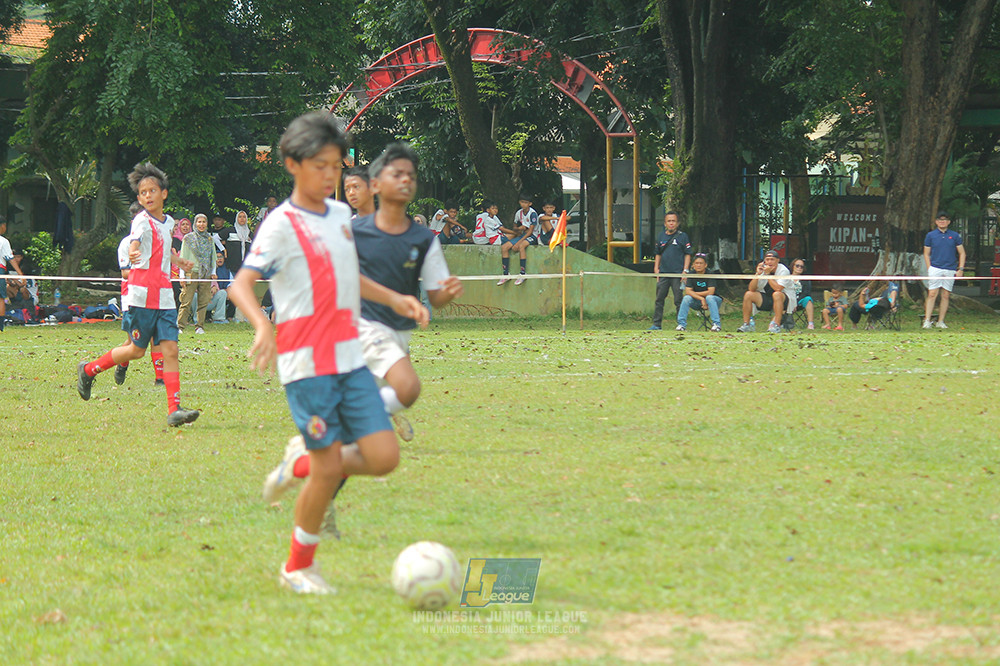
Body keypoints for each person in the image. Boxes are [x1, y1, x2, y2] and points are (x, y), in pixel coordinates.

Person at [226, 112, 427, 594]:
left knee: (384, 457)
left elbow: (347, 277)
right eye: (320, 165)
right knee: (330, 466)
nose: (330, 176)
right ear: (293, 164)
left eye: (336, 166)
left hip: (350, 358)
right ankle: (298, 566)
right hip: (306, 366)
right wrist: (262, 326)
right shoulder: (280, 224)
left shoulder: (340, 217)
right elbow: (241, 284)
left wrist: (393, 297)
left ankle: (297, 463)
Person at [76, 161, 200, 428]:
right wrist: (133, 250)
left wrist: (179, 263)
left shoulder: (169, 223)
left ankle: (174, 408)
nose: (148, 196)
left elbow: (165, 249)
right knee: (135, 351)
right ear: (139, 198)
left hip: (165, 296)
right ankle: (89, 370)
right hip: (141, 296)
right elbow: (137, 239)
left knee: (171, 350)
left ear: (163, 193)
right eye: (143, 193)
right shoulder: (140, 220)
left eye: (152, 191)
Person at [649, 211, 692, 330]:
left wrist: (685, 270)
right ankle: (656, 324)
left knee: (678, 300)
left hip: (678, 273)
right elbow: (658, 253)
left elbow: (687, 254)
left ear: (677, 223)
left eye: (673, 221)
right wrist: (656, 268)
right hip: (664, 273)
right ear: (665, 223)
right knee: (659, 299)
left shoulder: (683, 236)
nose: (671, 223)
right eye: (669, 221)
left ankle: (681, 324)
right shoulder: (661, 236)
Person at [923, 211, 965, 329]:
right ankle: (927, 320)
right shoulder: (930, 235)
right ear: (936, 221)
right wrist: (929, 268)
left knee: (945, 295)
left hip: (950, 268)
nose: (942, 222)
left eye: (945, 220)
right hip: (935, 268)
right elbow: (926, 253)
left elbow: (962, 253)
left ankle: (940, 321)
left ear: (949, 222)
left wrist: (960, 269)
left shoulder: (955, 235)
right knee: (932, 294)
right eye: (940, 220)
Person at [737, 250, 793, 333]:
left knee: (777, 294)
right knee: (748, 294)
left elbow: (778, 288)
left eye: (772, 259)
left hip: (783, 300)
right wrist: (757, 274)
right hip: (767, 298)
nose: (769, 262)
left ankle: (776, 325)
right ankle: (747, 324)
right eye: (767, 259)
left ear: (778, 260)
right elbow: (751, 289)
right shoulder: (763, 269)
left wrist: (768, 275)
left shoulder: (783, 270)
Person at [177, 213, 215, 334]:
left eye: (204, 222)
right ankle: (180, 326)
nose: (201, 224)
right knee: (186, 300)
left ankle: (199, 326)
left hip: (205, 273)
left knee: (203, 301)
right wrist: (182, 275)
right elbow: (182, 258)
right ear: (195, 223)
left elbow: (212, 258)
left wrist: (213, 273)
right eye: (199, 222)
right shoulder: (188, 238)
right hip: (191, 273)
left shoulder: (209, 239)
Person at [675, 253, 722, 331]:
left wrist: (697, 295)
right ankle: (681, 325)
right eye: (696, 263)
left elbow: (711, 292)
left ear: (705, 265)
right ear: (693, 265)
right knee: (686, 298)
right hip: (697, 301)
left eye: (701, 263)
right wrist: (701, 298)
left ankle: (716, 325)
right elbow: (687, 291)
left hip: (713, 301)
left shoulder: (710, 274)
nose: (698, 265)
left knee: (709, 297)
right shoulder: (691, 274)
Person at [497, 195, 537, 286]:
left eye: (526, 202)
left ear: (530, 204)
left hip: (532, 235)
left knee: (521, 246)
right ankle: (506, 274)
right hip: (523, 234)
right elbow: (514, 226)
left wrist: (518, 242)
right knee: (504, 247)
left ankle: (523, 274)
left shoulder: (532, 213)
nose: (523, 204)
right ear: (519, 202)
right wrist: (518, 228)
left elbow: (530, 232)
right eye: (522, 202)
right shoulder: (519, 213)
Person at [0, 216, 24, 331]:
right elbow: (11, 258)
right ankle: (0, 326)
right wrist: (20, 274)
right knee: (0, 299)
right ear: (2, 226)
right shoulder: (3, 241)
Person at [171, 217, 192, 306]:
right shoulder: (174, 240)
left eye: (187, 224)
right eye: (183, 224)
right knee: (177, 293)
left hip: (190, 268)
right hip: (175, 271)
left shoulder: (192, 240)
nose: (185, 227)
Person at [790, 259, 815, 330]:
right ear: (793, 266)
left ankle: (810, 324)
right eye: (797, 266)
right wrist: (792, 302)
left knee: (808, 299)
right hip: (788, 300)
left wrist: (796, 302)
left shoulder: (805, 279)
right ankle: (780, 323)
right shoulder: (786, 278)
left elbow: (806, 293)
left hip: (800, 300)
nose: (799, 268)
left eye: (802, 266)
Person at [207, 251, 231, 323]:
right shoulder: (207, 270)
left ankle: (219, 318)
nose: (219, 259)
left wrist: (229, 288)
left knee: (223, 293)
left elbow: (230, 282)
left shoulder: (227, 269)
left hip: (213, 298)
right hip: (203, 299)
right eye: (217, 257)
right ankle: (197, 320)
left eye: (221, 257)